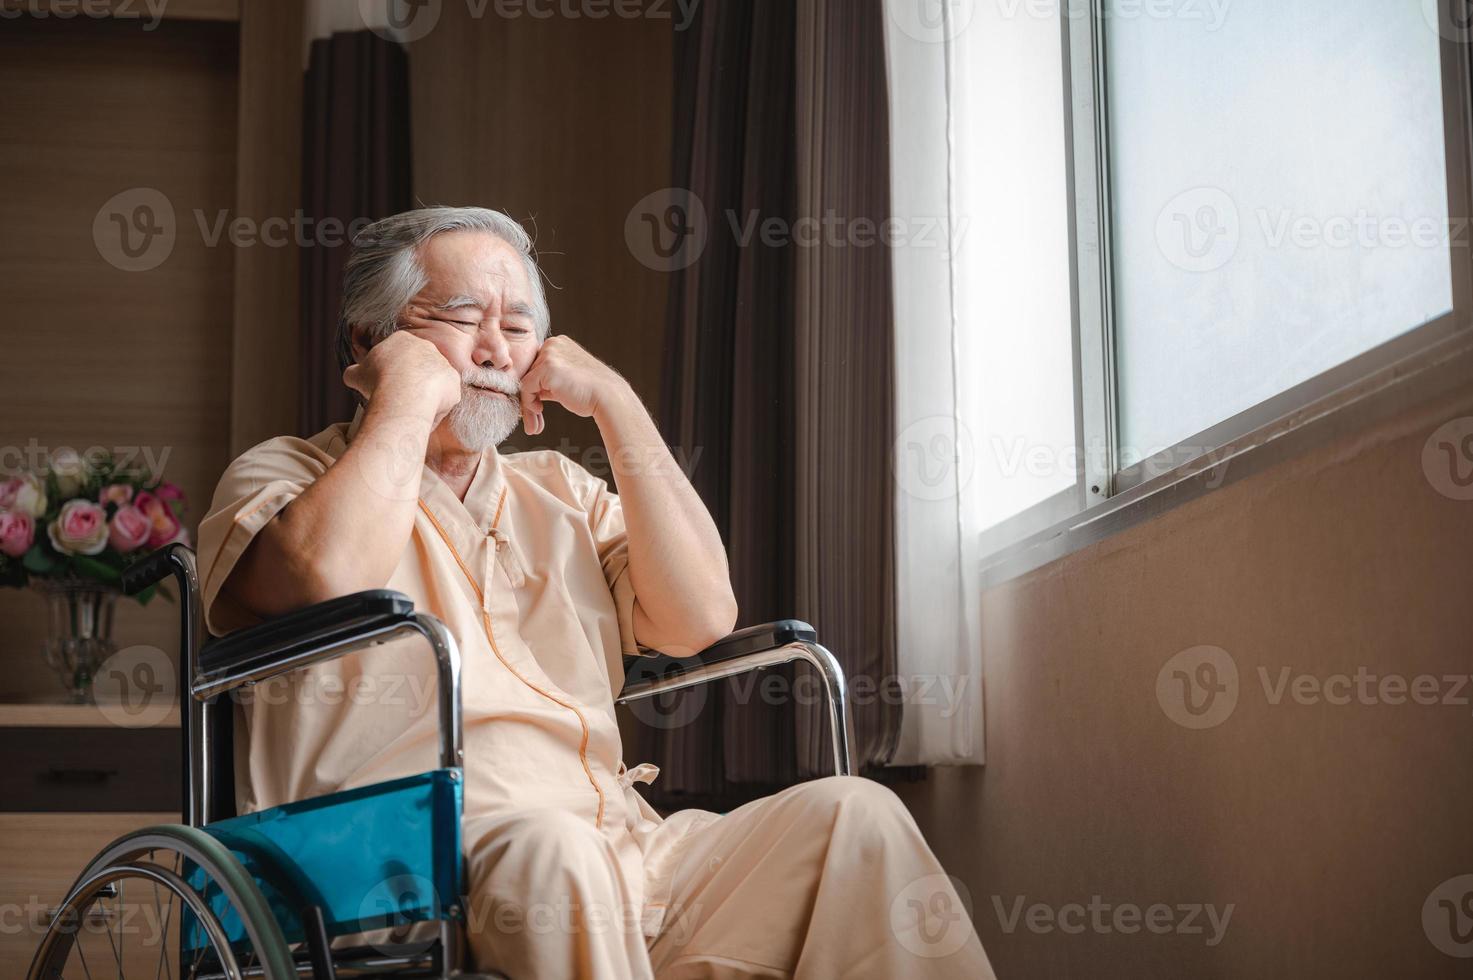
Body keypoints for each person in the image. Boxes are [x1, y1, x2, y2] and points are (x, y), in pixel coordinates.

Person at [197, 206, 995, 978]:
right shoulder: (286, 474)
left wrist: (615, 404)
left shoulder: (561, 491)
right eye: (461, 317)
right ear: (371, 340)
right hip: (394, 860)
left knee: (854, 819)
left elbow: (698, 617)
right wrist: (404, 394)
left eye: (516, 327)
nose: (493, 351)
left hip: (614, 841)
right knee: (556, 854)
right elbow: (322, 576)